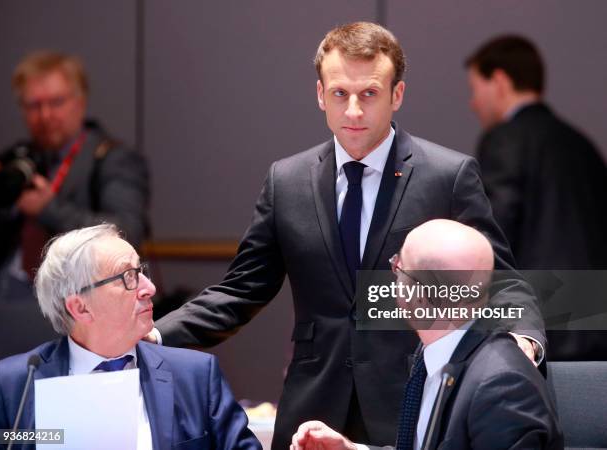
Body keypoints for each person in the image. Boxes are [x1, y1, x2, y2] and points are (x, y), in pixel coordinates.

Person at [151, 22, 545, 448]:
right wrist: (154, 335)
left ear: (396, 95)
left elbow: (502, 280)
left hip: (407, 400)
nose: (354, 111)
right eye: (340, 94)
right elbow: (242, 289)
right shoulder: (287, 180)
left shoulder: (447, 175)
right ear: (320, 95)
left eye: (369, 94)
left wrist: (524, 340)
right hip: (313, 405)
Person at [291, 219, 563, 450]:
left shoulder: (502, 387)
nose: (394, 276)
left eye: (398, 267)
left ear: (416, 293)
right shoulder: (436, 355)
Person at [0, 224, 260, 450]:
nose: (150, 288)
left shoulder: (195, 376)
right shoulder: (14, 385)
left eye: (141, 272)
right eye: (128, 277)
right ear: (80, 307)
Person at [465, 35, 607, 360]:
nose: (473, 102)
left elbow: (495, 234)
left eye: (475, 89)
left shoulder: (504, 139)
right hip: (598, 318)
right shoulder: (582, 144)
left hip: (544, 321)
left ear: (499, 81)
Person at [0, 50, 149, 303]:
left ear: (80, 101)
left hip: (80, 305)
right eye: (34, 105)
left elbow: (127, 232)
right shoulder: (17, 160)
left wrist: (48, 208)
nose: (45, 116)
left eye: (56, 102)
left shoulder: (112, 158)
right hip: (8, 298)